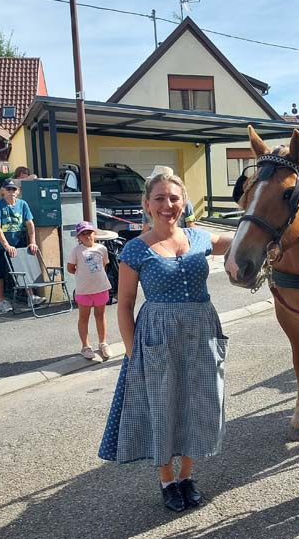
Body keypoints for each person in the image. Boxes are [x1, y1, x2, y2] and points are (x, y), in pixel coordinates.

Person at [98, 172, 233, 512]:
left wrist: (266, 228)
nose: (167, 205)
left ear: (184, 203)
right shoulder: (135, 249)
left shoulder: (199, 238)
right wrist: (133, 353)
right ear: (147, 204)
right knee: (162, 408)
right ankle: (166, 480)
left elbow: (236, 239)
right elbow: (125, 305)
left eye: (174, 198)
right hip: (157, 336)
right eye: (159, 198)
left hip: (201, 333)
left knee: (198, 404)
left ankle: (187, 476)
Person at [0, 178, 44, 313]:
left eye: (14, 189)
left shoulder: (22, 204)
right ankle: (2, 301)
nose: (11, 192)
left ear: (18, 191)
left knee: (23, 269)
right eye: (8, 189)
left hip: (16, 243)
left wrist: (33, 241)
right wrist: (6, 245)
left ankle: (31, 297)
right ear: (3, 191)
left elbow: (29, 223)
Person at [67, 221, 112, 360]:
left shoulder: (102, 248)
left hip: (101, 288)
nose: (87, 236)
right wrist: (82, 275)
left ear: (94, 234)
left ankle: (103, 343)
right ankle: (85, 346)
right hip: (84, 290)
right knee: (84, 317)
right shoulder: (76, 251)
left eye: (89, 233)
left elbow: (104, 264)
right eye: (83, 234)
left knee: (100, 315)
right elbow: (70, 268)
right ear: (78, 237)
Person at [143, 166, 196, 230]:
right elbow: (146, 229)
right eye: (159, 199)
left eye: (173, 199)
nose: (168, 205)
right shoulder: (150, 204)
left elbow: (191, 228)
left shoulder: (186, 204)